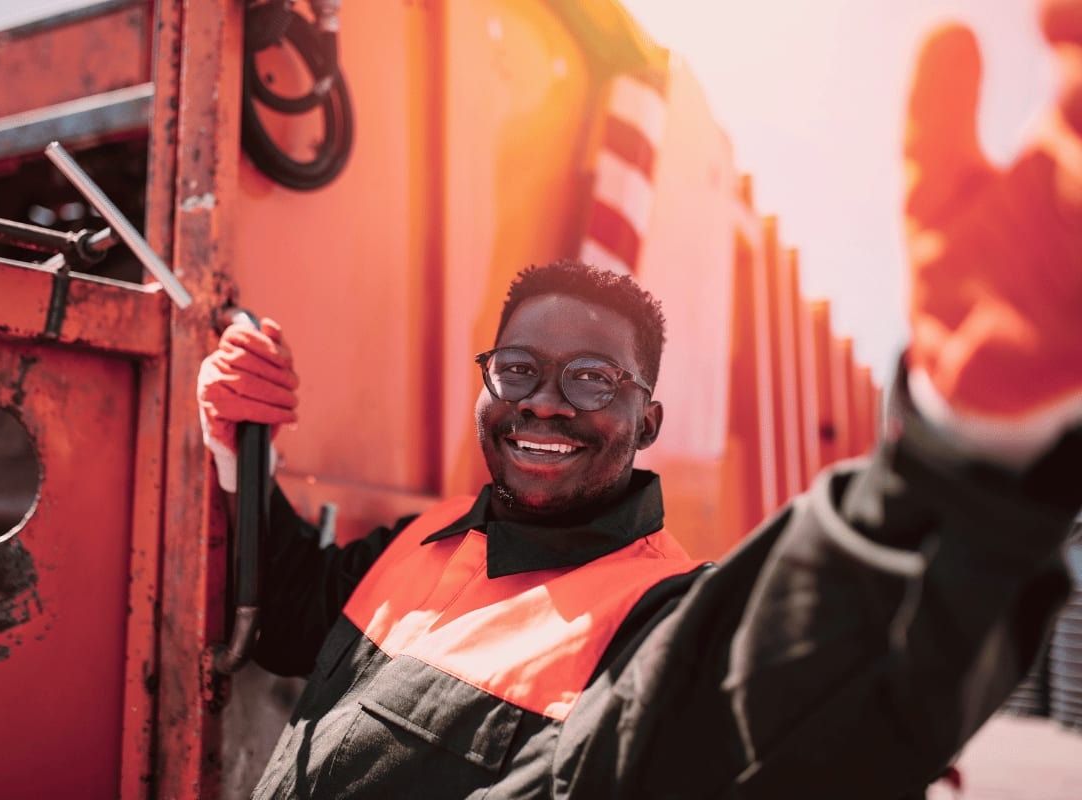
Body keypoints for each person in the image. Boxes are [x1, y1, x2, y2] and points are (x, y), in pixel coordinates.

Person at [196, 4, 1082, 798]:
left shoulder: (656, 610)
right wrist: (239, 439)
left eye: (592, 379)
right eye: (517, 370)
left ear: (646, 421)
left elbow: (747, 722)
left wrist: (968, 454)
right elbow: (287, 619)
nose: (544, 404)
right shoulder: (423, 545)